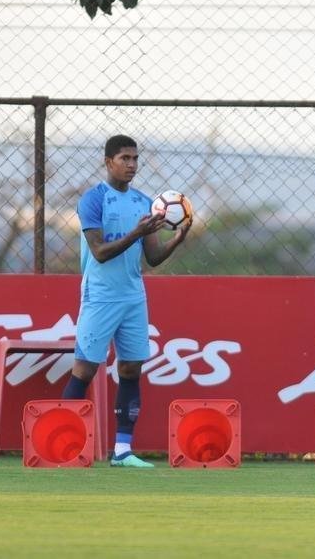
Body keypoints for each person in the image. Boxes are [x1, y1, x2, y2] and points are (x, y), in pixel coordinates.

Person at [61, 134, 192, 468]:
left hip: (133, 296)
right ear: (109, 162)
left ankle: (122, 451)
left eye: (135, 159)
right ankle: (63, 445)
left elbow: (153, 257)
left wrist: (177, 239)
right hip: (100, 296)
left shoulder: (146, 203)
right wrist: (135, 232)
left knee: (132, 367)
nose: (131, 165)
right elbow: (100, 253)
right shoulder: (93, 201)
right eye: (125, 158)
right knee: (86, 368)